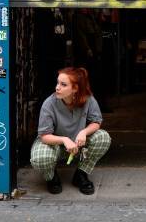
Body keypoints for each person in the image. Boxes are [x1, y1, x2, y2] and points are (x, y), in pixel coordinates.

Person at [30, 67, 111, 195]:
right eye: (57, 83)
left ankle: (81, 175)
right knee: (40, 157)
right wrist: (64, 139)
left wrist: (84, 132)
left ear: (75, 88)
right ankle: (51, 178)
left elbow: (96, 122)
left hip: (79, 144)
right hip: (54, 145)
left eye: (63, 84)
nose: (57, 87)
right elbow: (44, 136)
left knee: (103, 137)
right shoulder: (49, 103)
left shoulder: (88, 99)